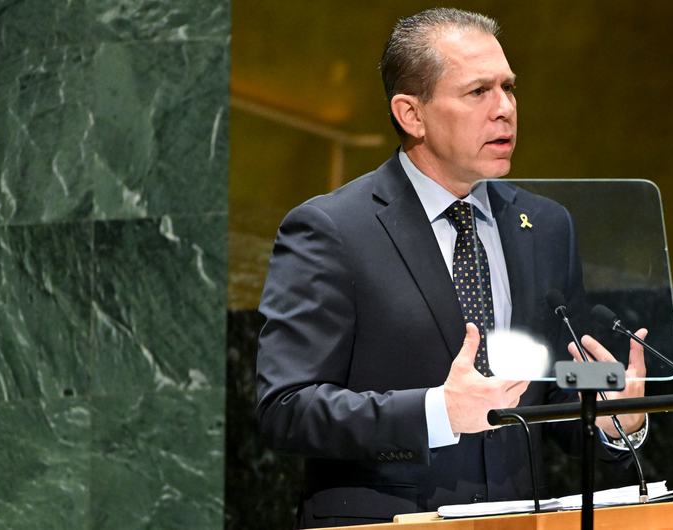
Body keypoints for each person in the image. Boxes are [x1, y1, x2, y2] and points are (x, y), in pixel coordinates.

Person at [256, 8, 648, 528]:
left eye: (509, 88)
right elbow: (286, 407)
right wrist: (436, 412)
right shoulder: (332, 230)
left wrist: (611, 412)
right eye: (477, 92)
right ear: (410, 114)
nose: (505, 109)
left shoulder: (547, 226)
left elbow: (552, 380)